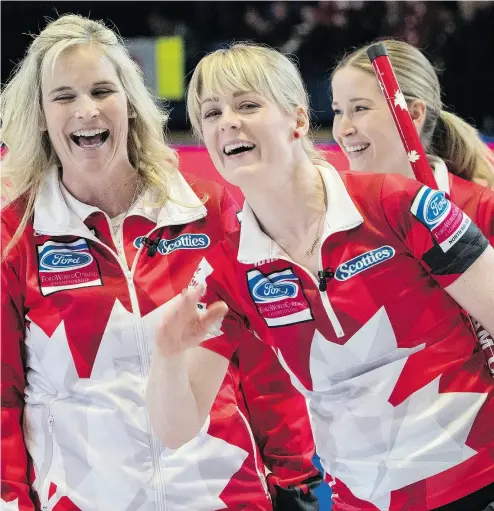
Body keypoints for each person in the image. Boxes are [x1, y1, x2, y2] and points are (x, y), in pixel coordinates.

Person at [146, 43, 494, 511]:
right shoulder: (228, 270)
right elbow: (177, 428)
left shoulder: (398, 204)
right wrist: (167, 355)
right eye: (211, 113)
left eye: (248, 104)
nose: (227, 120)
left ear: (298, 120)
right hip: (366, 502)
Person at [0, 16, 322, 511]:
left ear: (129, 101)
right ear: (41, 116)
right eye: (64, 97)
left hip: (222, 496)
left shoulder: (209, 211)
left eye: (102, 90)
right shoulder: (16, 235)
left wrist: (296, 478)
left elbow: (265, 361)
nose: (86, 110)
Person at [330, 39, 494, 244]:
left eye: (360, 108)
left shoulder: (482, 211)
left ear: (414, 114)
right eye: (338, 111)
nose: (343, 130)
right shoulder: (338, 218)